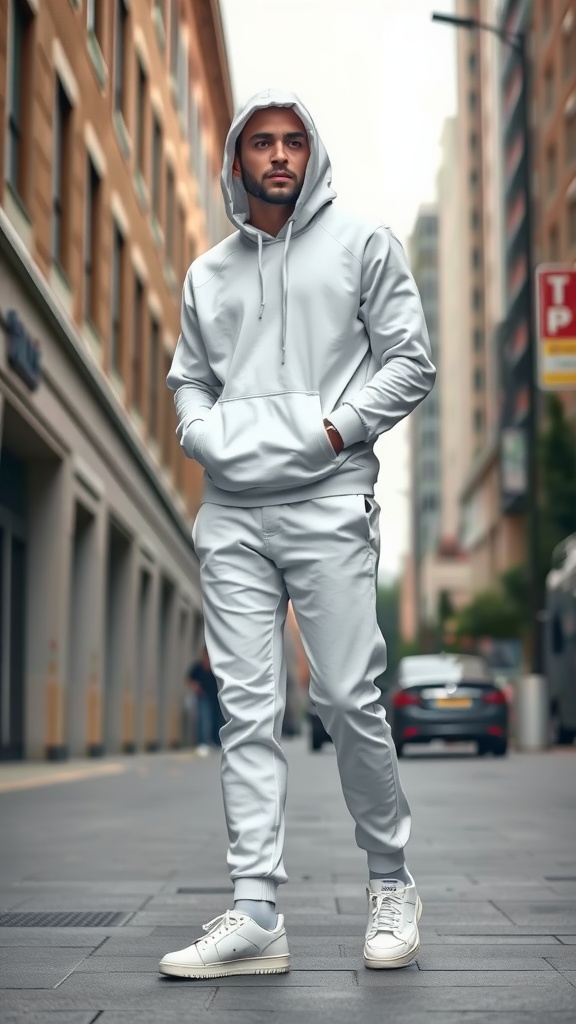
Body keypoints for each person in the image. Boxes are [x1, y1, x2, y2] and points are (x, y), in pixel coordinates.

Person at [159, 89, 435, 980]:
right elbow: (188, 381)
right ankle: (256, 912)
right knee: (245, 711)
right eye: (260, 143)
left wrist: (335, 431)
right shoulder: (208, 272)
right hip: (232, 508)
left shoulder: (365, 244)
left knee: (349, 698)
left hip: (328, 500)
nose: (278, 155)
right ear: (238, 160)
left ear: (311, 153)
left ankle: (391, 881)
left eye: (292, 141)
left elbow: (411, 362)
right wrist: (203, 436)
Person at [186, 647, 224, 755]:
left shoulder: (215, 668)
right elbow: (189, 679)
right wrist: (195, 686)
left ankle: (216, 742)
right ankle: (203, 743)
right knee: (204, 719)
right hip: (203, 697)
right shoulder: (198, 667)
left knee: (217, 719)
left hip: (216, 697)